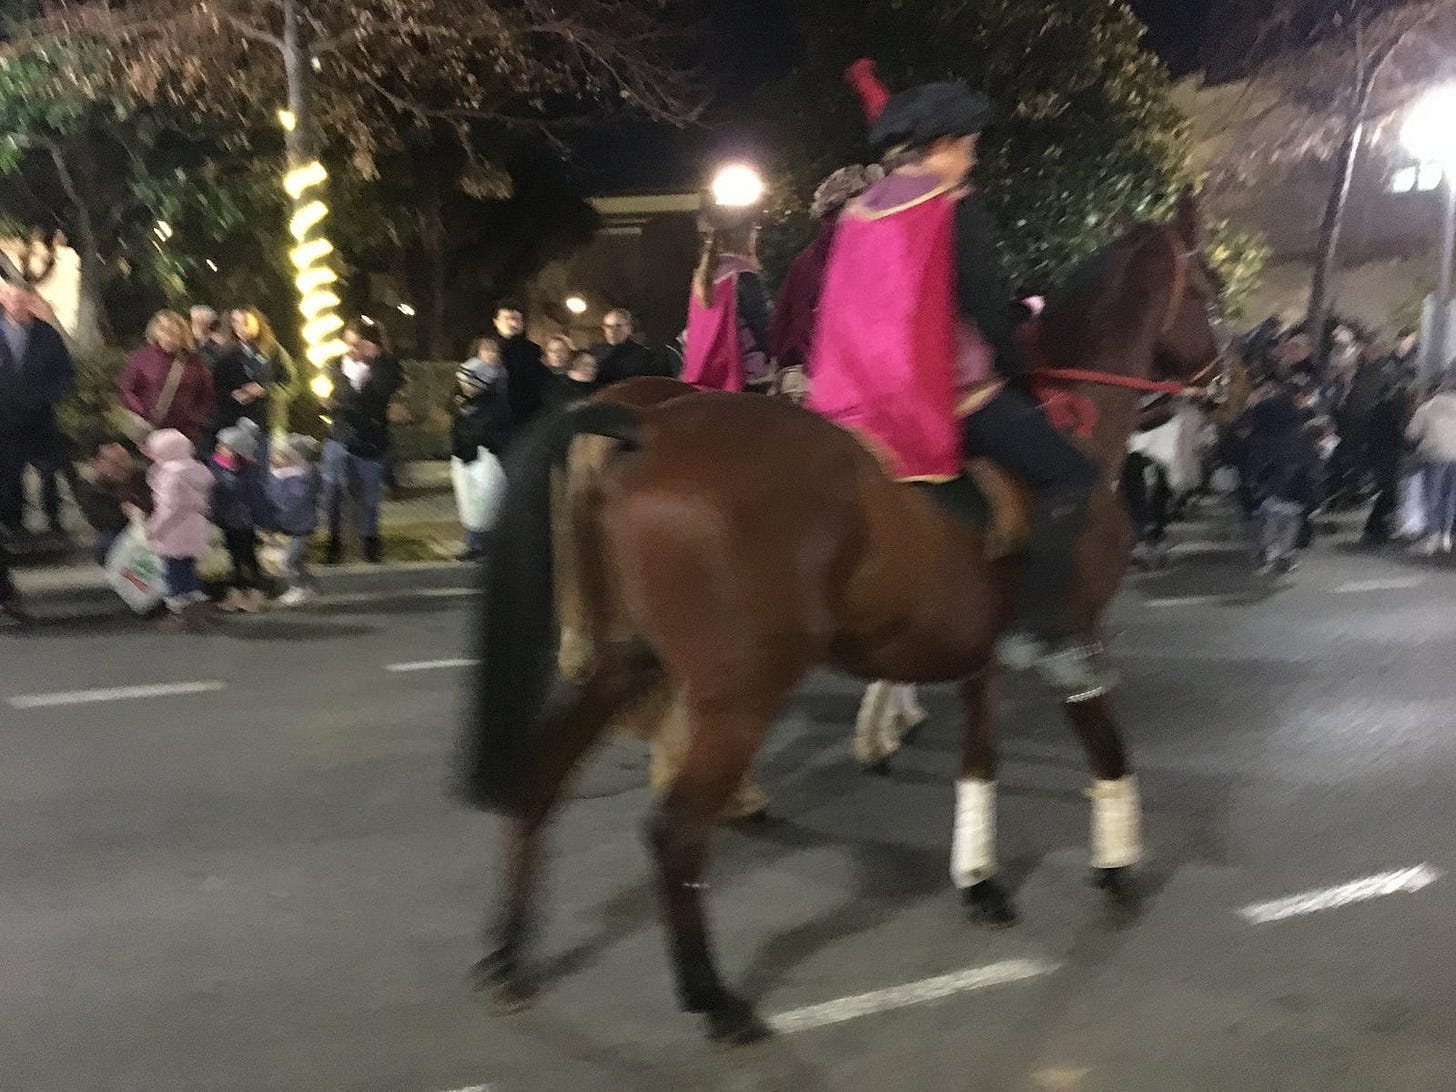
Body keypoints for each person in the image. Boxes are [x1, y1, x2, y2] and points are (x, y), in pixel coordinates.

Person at [808, 62, 1105, 694]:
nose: (972, 160)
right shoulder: (951, 206)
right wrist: (1024, 367)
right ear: (942, 145)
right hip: (951, 398)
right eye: (969, 146)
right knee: (1073, 475)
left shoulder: (858, 213)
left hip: (856, 406)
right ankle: (1039, 630)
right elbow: (985, 307)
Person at [770, 164, 885, 374]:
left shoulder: (805, 259)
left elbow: (780, 325)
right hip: (849, 375)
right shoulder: (863, 253)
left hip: (806, 370)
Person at [321, 321, 404, 564]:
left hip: (370, 440)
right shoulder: (335, 365)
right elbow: (332, 394)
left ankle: (371, 542)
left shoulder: (385, 367)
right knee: (333, 491)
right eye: (348, 343)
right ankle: (333, 541)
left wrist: (376, 360)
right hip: (340, 436)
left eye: (358, 344)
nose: (352, 349)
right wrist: (326, 405)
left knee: (370, 496)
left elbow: (385, 390)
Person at [0, 281, 74, 539]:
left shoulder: (47, 335)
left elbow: (65, 372)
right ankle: (13, 523)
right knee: (9, 473)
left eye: (22, 300)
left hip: (40, 416)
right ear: (4, 301)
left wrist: (49, 397)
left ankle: (54, 520)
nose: (17, 305)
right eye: (12, 299)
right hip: (5, 419)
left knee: (50, 471)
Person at [681, 217, 773, 393]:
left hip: (702, 370)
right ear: (745, 238)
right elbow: (760, 322)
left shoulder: (703, 275)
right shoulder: (743, 273)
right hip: (742, 370)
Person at [137, 428, 215, 630]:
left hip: (174, 532)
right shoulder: (198, 470)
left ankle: (179, 613)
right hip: (196, 527)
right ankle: (198, 609)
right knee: (189, 569)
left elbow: (168, 508)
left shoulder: (169, 475)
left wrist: (153, 528)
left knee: (173, 574)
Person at [449, 344, 512, 562]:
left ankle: (490, 548)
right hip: (464, 458)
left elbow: (497, 430)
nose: (464, 386)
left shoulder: (495, 404)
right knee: (469, 503)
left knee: (488, 503)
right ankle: (474, 545)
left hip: (486, 458)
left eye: (468, 382)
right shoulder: (463, 403)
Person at [119, 310, 215, 443]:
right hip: (148, 432)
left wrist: (195, 419)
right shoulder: (142, 357)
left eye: (173, 332)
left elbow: (206, 394)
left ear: (182, 334)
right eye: (163, 330)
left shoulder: (194, 363)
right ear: (155, 332)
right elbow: (127, 391)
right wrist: (143, 411)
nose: (168, 337)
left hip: (182, 435)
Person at [210, 307, 296, 455]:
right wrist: (234, 395)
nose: (241, 327)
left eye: (246, 322)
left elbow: (291, 384)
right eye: (236, 322)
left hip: (270, 423)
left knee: (271, 464)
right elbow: (218, 387)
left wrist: (265, 390)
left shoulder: (274, 350)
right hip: (238, 423)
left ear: (257, 323)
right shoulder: (228, 354)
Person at [208, 419, 269, 612]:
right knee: (231, 560)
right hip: (225, 520)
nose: (219, 449)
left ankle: (255, 592)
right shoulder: (217, 466)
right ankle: (236, 593)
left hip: (242, 522)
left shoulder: (247, 473)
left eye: (224, 446)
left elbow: (254, 498)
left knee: (247, 558)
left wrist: (262, 522)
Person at [266, 434, 322, 606]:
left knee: (289, 560)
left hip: (302, 524)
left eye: (282, 454)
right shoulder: (278, 475)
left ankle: (296, 588)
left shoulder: (305, 475)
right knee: (297, 559)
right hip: (288, 524)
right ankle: (308, 586)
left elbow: (297, 499)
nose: (275, 457)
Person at [74, 442, 152, 564]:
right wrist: (127, 512)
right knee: (107, 542)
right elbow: (100, 519)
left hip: (149, 523)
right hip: (120, 528)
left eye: (124, 460)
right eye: (114, 462)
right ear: (97, 463)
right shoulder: (91, 487)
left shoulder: (141, 476)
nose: (121, 466)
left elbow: (154, 502)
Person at [1406, 372, 1456, 555]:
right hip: (1455, 456)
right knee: (1450, 496)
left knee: (1432, 496)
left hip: (1435, 456)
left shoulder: (1427, 408)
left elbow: (1411, 433)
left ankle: (1432, 536)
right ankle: (1446, 536)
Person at [1360, 378, 1411, 546]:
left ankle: (1375, 525)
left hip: (1377, 456)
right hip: (1388, 457)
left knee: (1386, 491)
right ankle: (1376, 525)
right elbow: (1398, 436)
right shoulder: (1393, 412)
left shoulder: (1377, 410)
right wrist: (1409, 446)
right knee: (1389, 492)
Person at [493, 303, 546, 431]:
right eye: (507, 318)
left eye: (517, 319)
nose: (513, 323)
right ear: (496, 322)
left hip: (528, 417)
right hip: (495, 415)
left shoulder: (534, 350)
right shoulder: (488, 348)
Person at [590, 309, 663, 386]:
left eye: (618, 326)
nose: (612, 330)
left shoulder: (643, 355)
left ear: (629, 329)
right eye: (608, 326)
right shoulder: (595, 352)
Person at [189, 305, 230, 370]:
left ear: (209, 324)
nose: (197, 325)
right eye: (195, 321)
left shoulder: (217, 342)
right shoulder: (188, 341)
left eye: (201, 322)